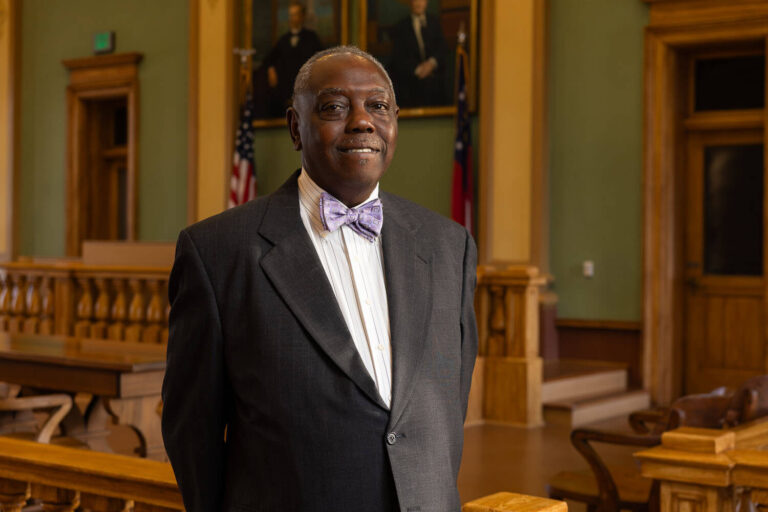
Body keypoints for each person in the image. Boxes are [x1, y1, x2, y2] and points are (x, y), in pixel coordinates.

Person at [162, 45, 478, 512]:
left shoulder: (449, 245)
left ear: (394, 122)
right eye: (334, 107)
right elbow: (193, 432)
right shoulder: (217, 252)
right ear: (296, 127)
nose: (362, 121)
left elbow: (449, 405)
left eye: (378, 106)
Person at [262, 2, 323, 117]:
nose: (292, 18)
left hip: (306, 88)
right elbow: (269, 59)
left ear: (302, 17)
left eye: (295, 14)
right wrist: (271, 70)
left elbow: (321, 60)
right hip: (286, 89)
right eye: (291, 15)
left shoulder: (311, 38)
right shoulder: (283, 40)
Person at [389, 0, 449, 107]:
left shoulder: (434, 22)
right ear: (410, 2)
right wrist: (419, 70)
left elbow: (442, 48)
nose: (418, 3)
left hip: (435, 81)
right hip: (412, 84)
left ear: (426, 2)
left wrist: (431, 64)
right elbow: (399, 58)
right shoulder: (401, 27)